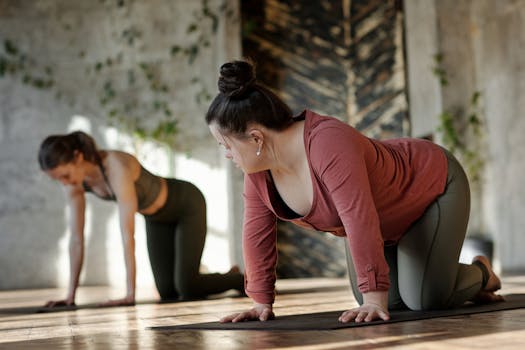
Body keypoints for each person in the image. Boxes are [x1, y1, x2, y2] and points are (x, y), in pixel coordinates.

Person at [204, 60, 503, 324]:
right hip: (381, 219)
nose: (226, 155)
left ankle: (481, 273)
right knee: (383, 303)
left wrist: (375, 296)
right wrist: (260, 302)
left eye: (226, 145)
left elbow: (357, 218)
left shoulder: (327, 142)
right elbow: (256, 232)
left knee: (422, 299)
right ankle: (435, 277)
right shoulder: (258, 173)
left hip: (429, 187)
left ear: (256, 138)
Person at [38, 131, 243, 307]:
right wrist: (70, 297)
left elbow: (128, 235)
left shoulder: (115, 166)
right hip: (156, 218)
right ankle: (226, 276)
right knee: (168, 292)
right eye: (57, 179)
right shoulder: (73, 185)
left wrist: (129, 294)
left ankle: (238, 280)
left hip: (186, 203)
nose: (63, 183)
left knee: (187, 287)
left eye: (64, 175)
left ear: (78, 156)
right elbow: (75, 239)